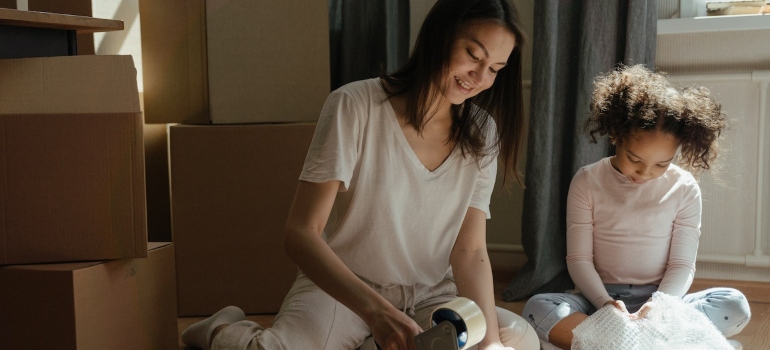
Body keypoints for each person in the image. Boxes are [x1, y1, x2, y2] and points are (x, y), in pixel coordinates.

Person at [181, 0, 539, 349]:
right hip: (344, 290)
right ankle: (221, 329)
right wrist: (377, 312)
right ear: (440, 36)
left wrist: (490, 342)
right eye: (473, 55)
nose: (479, 77)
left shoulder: (482, 132)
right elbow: (300, 234)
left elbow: (470, 249)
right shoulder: (355, 105)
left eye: (494, 68)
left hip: (431, 296)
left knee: (515, 338)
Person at [521, 64, 751, 350]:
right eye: (635, 159)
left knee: (734, 305)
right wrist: (605, 304)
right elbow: (579, 259)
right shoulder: (587, 181)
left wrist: (659, 306)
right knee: (537, 307)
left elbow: (681, 264)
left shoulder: (685, 188)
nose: (645, 173)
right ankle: (660, 343)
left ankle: (612, 344)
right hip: (599, 303)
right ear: (617, 136)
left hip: (663, 304)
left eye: (661, 165)